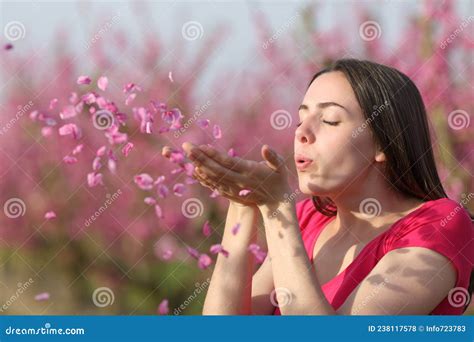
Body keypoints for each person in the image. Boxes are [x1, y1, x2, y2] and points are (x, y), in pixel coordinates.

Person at [162, 58, 473, 315]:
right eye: (301, 120)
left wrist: (276, 209)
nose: (302, 133)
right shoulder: (308, 221)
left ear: (384, 143)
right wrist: (242, 205)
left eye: (330, 121)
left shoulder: (439, 226)